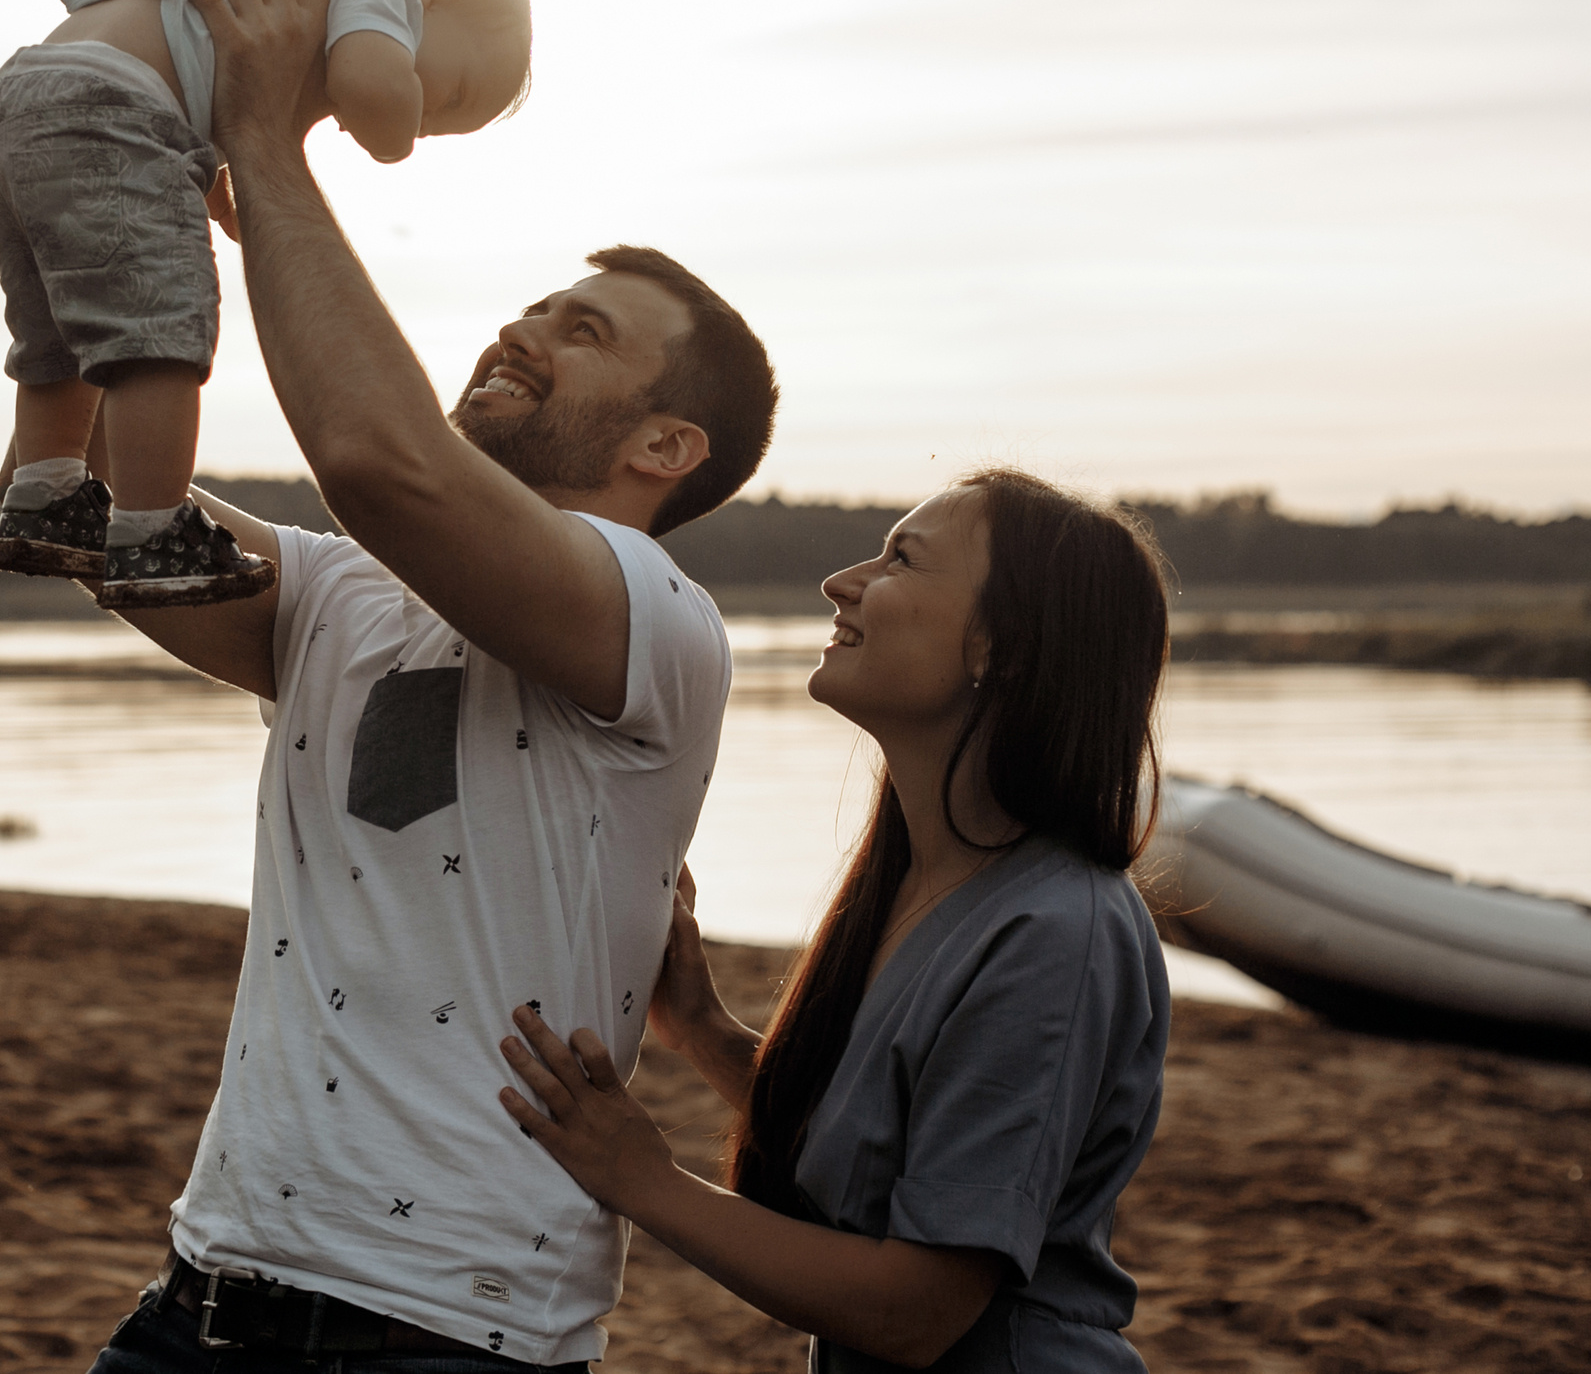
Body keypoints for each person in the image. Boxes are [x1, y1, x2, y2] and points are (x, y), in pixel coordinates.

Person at [62, 0, 778, 1373]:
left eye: (582, 332)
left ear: (662, 445)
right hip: (209, 1287)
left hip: (448, 1333)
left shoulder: (655, 622)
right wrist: (137, 159)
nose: (522, 330)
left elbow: (384, 463)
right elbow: (101, 517)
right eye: (534, 305)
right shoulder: (337, 593)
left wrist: (269, 139)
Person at [496, 470, 1175, 1372]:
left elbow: (916, 1311)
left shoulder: (1058, 931)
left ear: (1002, 646)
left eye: (902, 558)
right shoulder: (917, 881)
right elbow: (882, 1157)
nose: (841, 581)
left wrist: (643, 1180)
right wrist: (701, 1031)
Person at [0, 0, 532, 611]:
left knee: (58, 333)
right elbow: (373, 92)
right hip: (111, 108)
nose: (427, 121)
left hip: (16, 104)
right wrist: (397, 132)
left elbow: (188, 99)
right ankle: (153, 529)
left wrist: (224, 194)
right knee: (159, 335)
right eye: (450, 98)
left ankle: (47, 492)